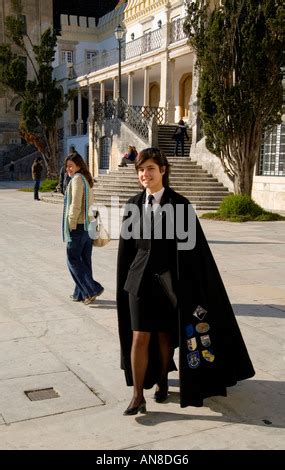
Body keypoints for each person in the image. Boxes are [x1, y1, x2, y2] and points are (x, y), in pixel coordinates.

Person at [116, 147, 255, 415]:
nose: (145, 174)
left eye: (151, 169)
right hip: (138, 285)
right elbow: (127, 251)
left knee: (166, 337)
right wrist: (125, 283)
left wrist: (190, 288)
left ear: (163, 170)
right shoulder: (132, 205)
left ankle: (163, 383)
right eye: (141, 170)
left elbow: (193, 251)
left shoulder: (180, 205)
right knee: (139, 337)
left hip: (168, 286)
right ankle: (136, 396)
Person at [62, 152, 104, 305]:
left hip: (79, 227)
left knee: (72, 259)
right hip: (88, 226)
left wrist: (70, 225)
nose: (68, 169)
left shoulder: (76, 180)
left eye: (71, 166)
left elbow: (75, 206)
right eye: (67, 166)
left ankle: (91, 289)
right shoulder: (86, 180)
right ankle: (80, 294)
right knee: (84, 261)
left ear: (78, 166)